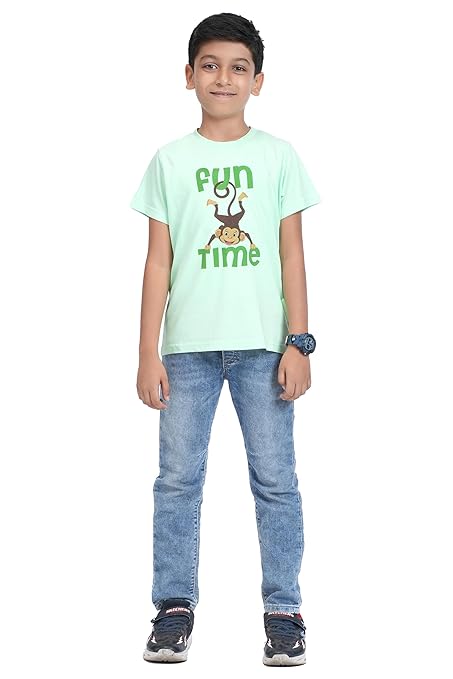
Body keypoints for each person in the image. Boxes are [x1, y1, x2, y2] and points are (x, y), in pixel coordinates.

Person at [129, 12, 320, 667]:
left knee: (276, 481)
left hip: (263, 347)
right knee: (177, 482)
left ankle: (284, 611)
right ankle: (173, 607)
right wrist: (146, 351)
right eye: (209, 65)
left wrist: (299, 340)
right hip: (186, 351)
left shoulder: (277, 156)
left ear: (257, 81)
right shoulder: (169, 161)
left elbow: (291, 255)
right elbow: (158, 261)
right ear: (188, 75)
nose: (223, 78)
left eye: (239, 67)